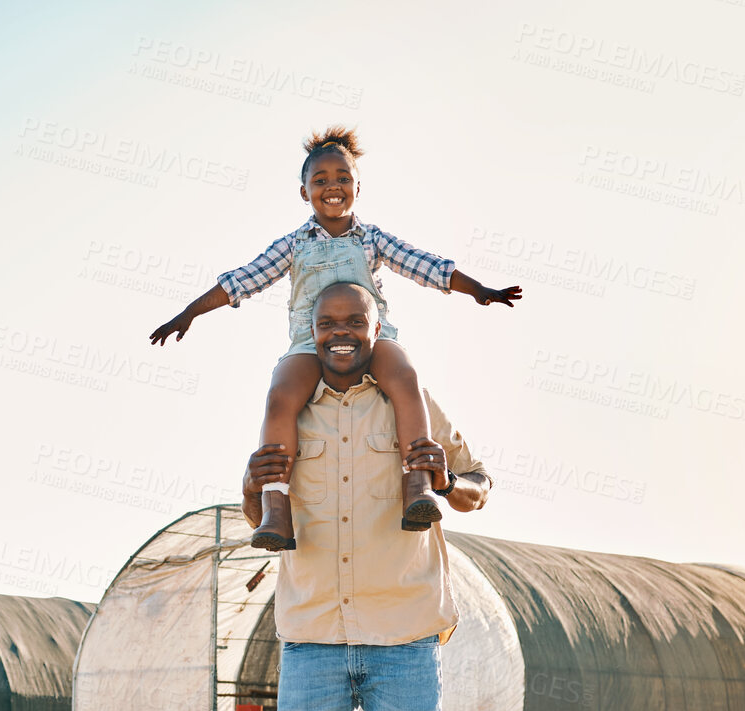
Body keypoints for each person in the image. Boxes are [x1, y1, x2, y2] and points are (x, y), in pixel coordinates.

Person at [240, 280, 491, 711]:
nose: (342, 332)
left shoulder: (413, 403)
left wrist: (446, 478)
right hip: (313, 639)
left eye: (356, 320)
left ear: (377, 329)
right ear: (312, 330)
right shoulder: (289, 408)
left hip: (402, 637)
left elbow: (479, 486)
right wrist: (252, 485)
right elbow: (257, 514)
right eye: (329, 322)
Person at [154, 126, 518, 551]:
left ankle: (416, 484)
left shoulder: (371, 240)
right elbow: (242, 280)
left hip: (373, 341)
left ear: (358, 187)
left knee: (405, 378)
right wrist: (190, 312)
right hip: (311, 345)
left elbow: (425, 264)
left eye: (342, 178)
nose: (333, 187)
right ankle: (276, 505)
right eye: (320, 180)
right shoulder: (292, 245)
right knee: (280, 395)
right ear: (304, 191)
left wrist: (478, 290)